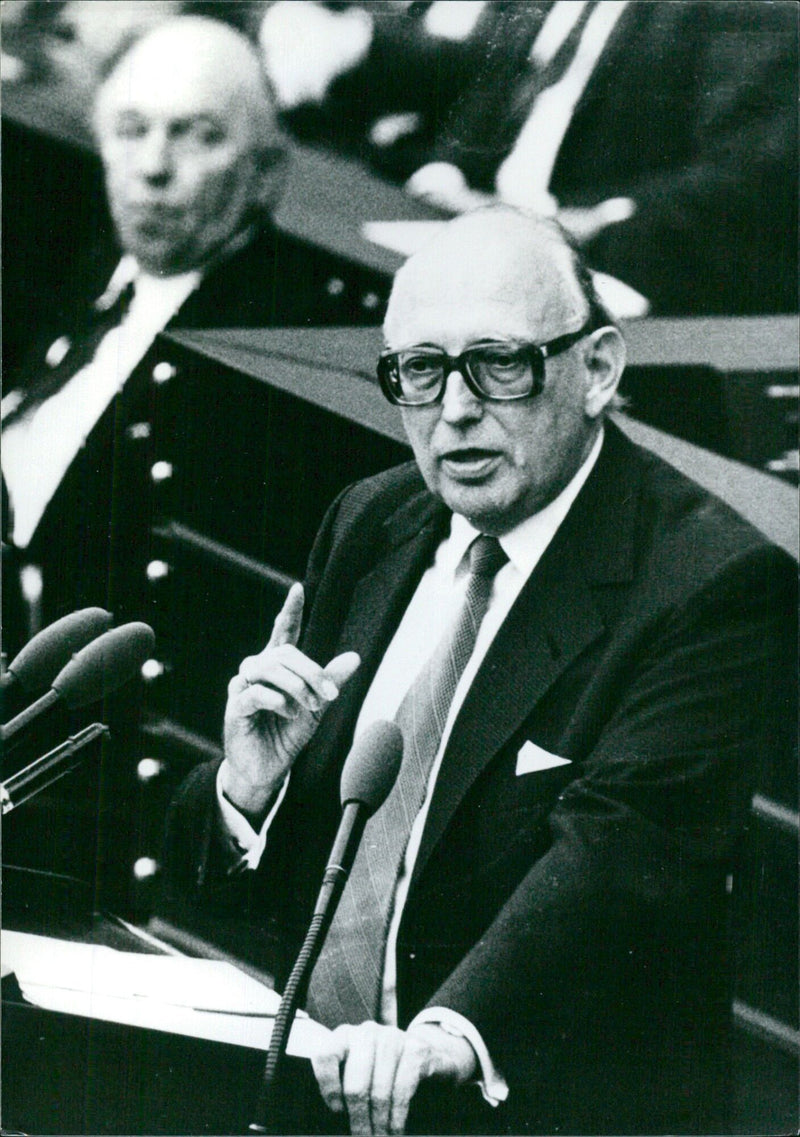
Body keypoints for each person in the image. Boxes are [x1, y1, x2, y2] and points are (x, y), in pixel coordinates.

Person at [161, 207, 797, 1135]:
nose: (456, 409)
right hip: (315, 1089)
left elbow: (620, 856)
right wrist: (247, 791)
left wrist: (445, 1036)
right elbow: (242, 884)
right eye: (420, 371)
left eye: (500, 364)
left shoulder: (710, 581)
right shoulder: (371, 521)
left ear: (597, 370)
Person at [1, 15, 390, 654]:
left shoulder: (269, 346)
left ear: (265, 171)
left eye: (197, 137)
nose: (153, 166)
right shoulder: (74, 267)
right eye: (131, 131)